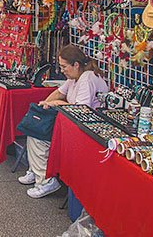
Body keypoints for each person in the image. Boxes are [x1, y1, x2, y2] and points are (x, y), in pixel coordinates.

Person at [19, 45, 108, 198]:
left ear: (76, 65)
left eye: (64, 66)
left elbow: (82, 109)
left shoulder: (87, 78)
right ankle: (37, 170)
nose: (62, 70)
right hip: (72, 123)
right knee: (34, 127)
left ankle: (46, 181)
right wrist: (44, 105)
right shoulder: (75, 77)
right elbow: (59, 93)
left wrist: (56, 104)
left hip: (86, 129)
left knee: (39, 136)